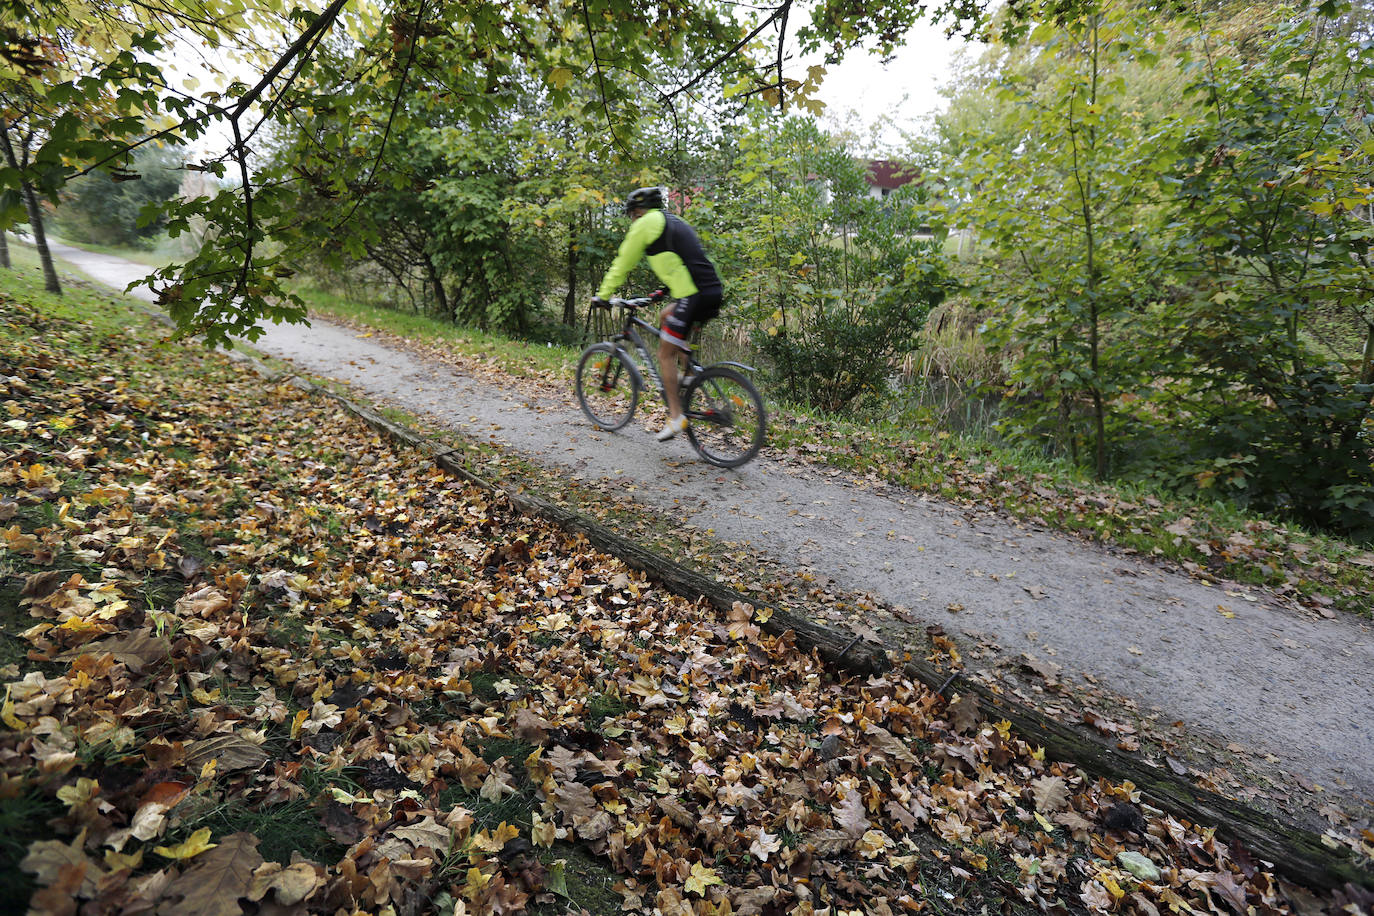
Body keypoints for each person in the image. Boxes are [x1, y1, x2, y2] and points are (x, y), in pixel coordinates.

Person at [591, 186, 723, 441]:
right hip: (710, 291)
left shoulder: (644, 225)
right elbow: (682, 261)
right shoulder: (671, 221)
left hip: (693, 296)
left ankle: (676, 417)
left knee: (664, 354)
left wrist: (604, 295)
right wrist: (661, 293)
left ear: (638, 212)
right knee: (665, 317)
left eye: (631, 214)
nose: (631, 219)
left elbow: (622, 263)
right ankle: (690, 377)